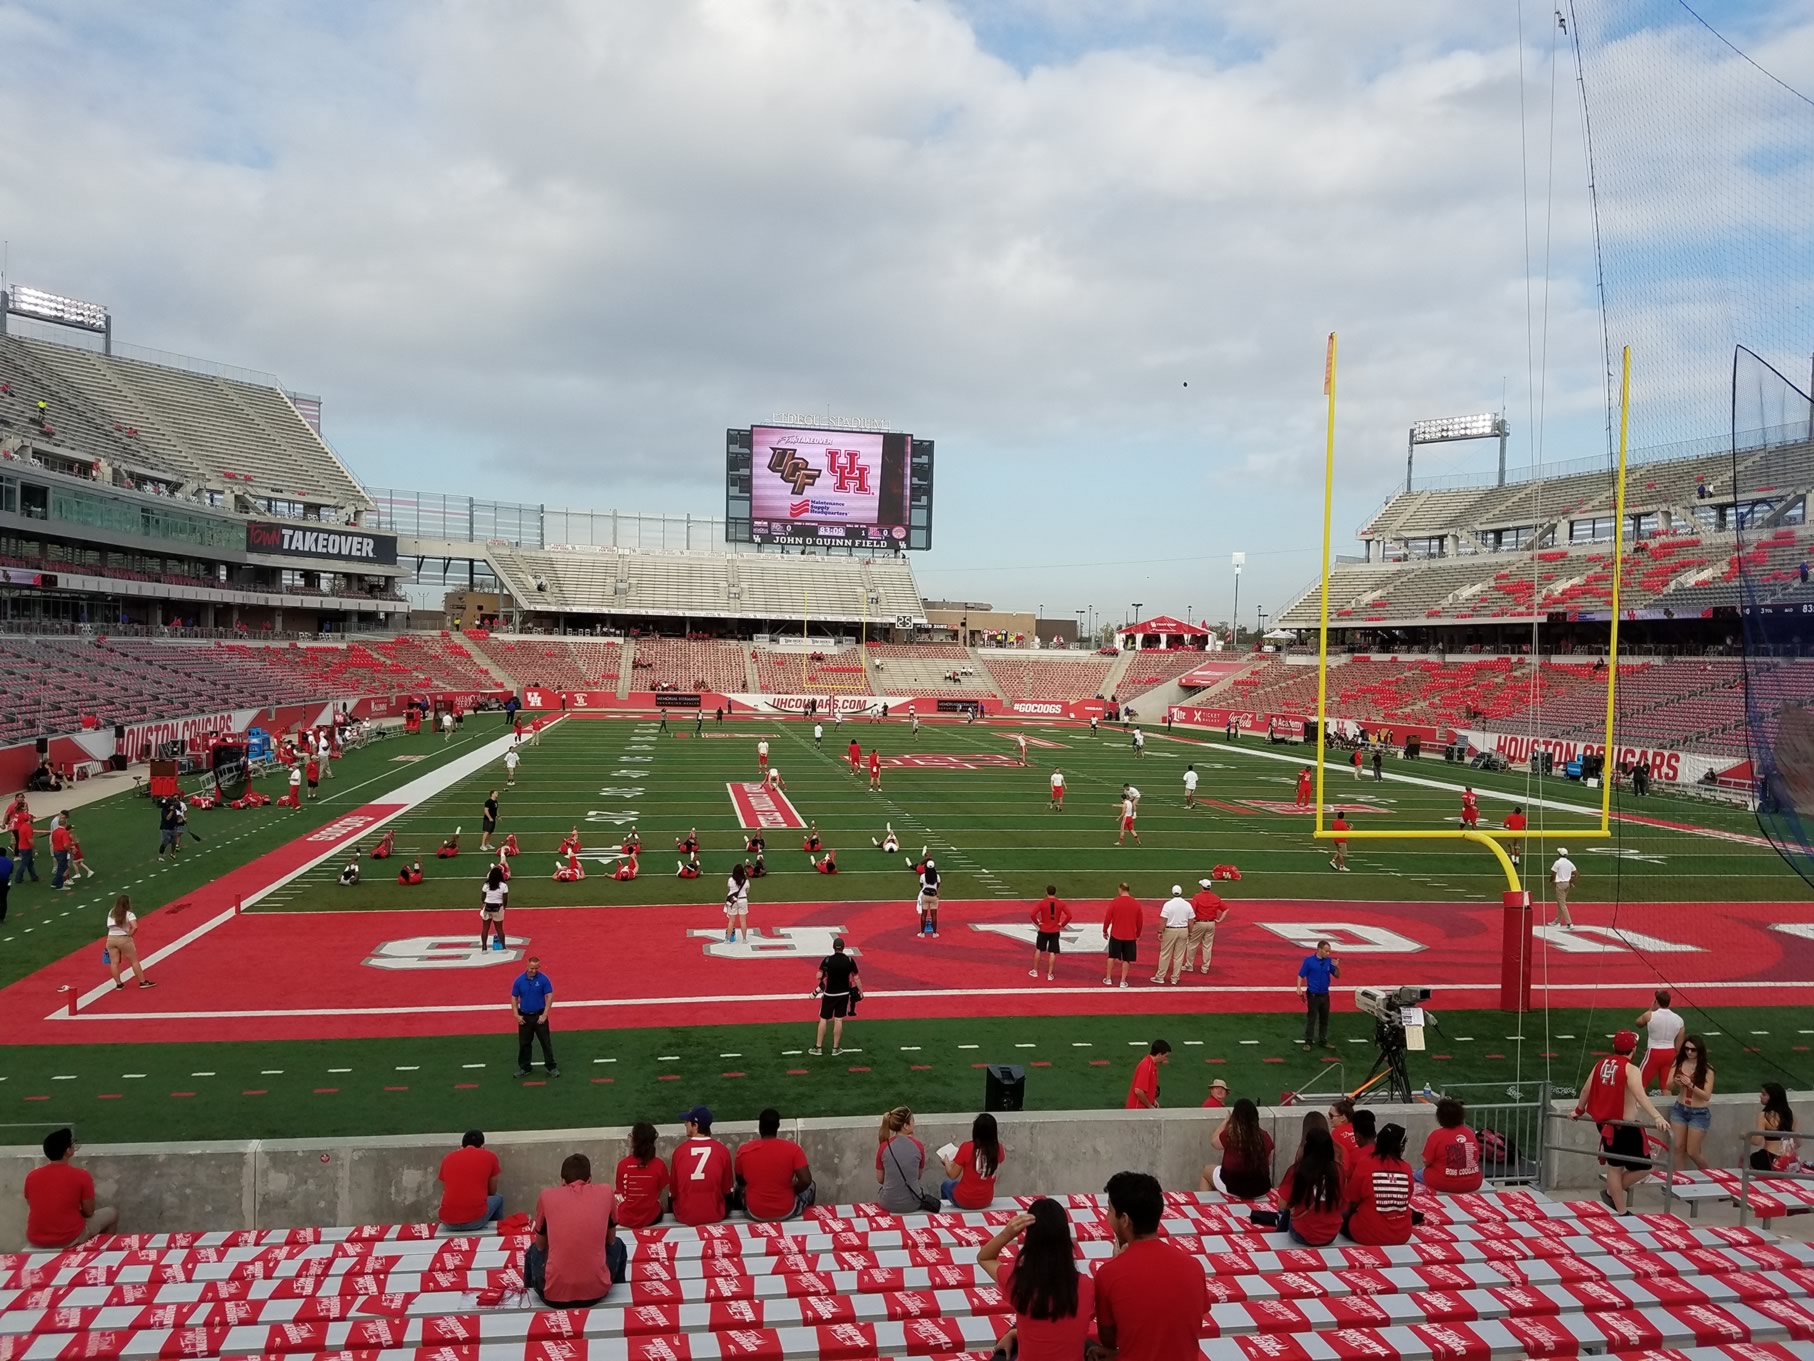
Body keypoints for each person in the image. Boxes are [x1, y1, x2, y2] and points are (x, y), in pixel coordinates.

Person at [1094, 1171, 1207, 1361]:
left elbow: (1109, 1340)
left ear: (1125, 1220)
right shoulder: (1194, 1266)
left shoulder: (1108, 1274)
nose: (1107, 1216)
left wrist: (1116, 1261)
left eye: (1109, 1210)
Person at [976, 1199, 1095, 1361]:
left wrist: (1007, 1234)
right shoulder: (1087, 1286)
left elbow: (984, 1258)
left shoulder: (1018, 1280)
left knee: (1005, 1347)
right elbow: (1061, 1328)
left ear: (1030, 1238)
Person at [1571, 1029, 1670, 1213]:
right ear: (1634, 1048)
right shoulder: (1630, 1069)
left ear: (1613, 1046)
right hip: (1625, 1126)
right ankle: (1614, 1197)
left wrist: (1578, 1110)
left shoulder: (1601, 1064)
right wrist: (1657, 1116)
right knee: (1644, 1166)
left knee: (1615, 1167)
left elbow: (1586, 1090)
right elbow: (1641, 1096)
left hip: (1605, 1124)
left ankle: (1618, 1204)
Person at [525, 1153, 623, 1308]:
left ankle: (527, 1295)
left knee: (532, 1251)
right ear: (589, 1179)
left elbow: (540, 1246)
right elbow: (610, 1241)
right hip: (596, 1292)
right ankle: (618, 1292)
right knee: (618, 1245)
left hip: (553, 1295)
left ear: (562, 1181)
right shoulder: (605, 1191)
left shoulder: (547, 1196)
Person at [24, 1128, 116, 1248]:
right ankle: (101, 1256)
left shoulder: (32, 1176)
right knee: (112, 1213)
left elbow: (33, 1204)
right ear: (68, 1150)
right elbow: (89, 1212)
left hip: (35, 1237)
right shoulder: (81, 1175)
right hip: (69, 1237)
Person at [1264, 1126, 1344, 1245]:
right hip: (1331, 1234)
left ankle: (1277, 1237)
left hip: (1304, 1234)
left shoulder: (1297, 1170)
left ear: (1307, 1146)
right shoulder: (1339, 1170)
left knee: (1287, 1211)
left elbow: (1282, 1204)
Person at [736, 1107, 816, 1220]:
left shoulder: (744, 1150)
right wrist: (792, 1190)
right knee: (811, 1185)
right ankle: (806, 1222)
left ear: (760, 1127)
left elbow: (740, 1181)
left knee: (737, 1188)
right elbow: (806, 1181)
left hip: (754, 1212)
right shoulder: (793, 1149)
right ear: (778, 1126)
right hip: (786, 1211)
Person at [1344, 1122, 1414, 1245]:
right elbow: (1406, 1199)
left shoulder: (1366, 1163)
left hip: (1368, 1233)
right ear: (1400, 1147)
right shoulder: (1406, 1168)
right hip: (1402, 1234)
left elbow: (1352, 1198)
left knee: (1340, 1217)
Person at [670, 1106, 734, 1225]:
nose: (685, 1125)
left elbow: (673, 1193)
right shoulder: (722, 1151)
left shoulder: (679, 1151)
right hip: (715, 1214)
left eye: (687, 1122)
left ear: (696, 1126)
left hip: (684, 1215)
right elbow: (727, 1192)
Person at [1201, 1097, 1274, 1198]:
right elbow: (1269, 1161)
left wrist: (1226, 1121)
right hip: (1261, 1189)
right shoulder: (1265, 1136)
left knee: (1206, 1171)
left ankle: (1206, 1209)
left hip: (1233, 1188)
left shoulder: (1231, 1135)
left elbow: (1214, 1142)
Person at [1666, 1034, 1716, 1171]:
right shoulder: (1679, 1063)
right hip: (1680, 1109)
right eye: (1687, 1049)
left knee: (1693, 1152)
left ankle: (1710, 1174)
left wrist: (1691, 1085)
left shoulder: (1707, 1069)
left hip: (1699, 1113)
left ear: (1699, 1051)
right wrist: (1675, 1082)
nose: (1689, 1052)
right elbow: (1668, 1085)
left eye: (1693, 1050)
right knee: (1677, 1147)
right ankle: (1680, 1181)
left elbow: (1706, 1096)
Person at [437, 1130, 503, 1232]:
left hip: (447, 1221)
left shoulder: (447, 1158)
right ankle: (497, 1233)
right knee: (499, 1198)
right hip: (475, 1221)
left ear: (461, 1146)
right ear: (482, 1146)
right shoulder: (490, 1156)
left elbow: (445, 1190)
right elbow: (492, 1191)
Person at [942, 1112, 1005, 1209]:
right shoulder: (999, 1149)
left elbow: (952, 1175)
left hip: (964, 1199)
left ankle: (947, 1211)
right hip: (986, 1199)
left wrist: (946, 1161)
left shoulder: (967, 1147)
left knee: (946, 1185)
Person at [613, 1122, 670, 1228]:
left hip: (625, 1218)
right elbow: (659, 1191)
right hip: (651, 1218)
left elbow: (620, 1192)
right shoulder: (660, 1165)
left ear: (634, 1141)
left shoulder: (623, 1165)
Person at [1420, 1098, 1484, 1193]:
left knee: (1416, 1174)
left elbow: (1426, 1161)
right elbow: (1476, 1157)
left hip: (1443, 1183)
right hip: (1473, 1183)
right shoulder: (1470, 1133)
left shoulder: (1436, 1135)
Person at [876, 1107, 931, 1213]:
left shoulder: (883, 1147)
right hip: (913, 1203)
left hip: (888, 1203)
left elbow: (880, 1179)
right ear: (906, 1125)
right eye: (912, 1120)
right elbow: (917, 1176)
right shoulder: (918, 1146)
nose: (914, 1123)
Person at [811, 936, 859, 1055]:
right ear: (843, 947)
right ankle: (835, 1048)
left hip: (829, 994)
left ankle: (818, 1047)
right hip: (843, 994)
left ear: (833, 947)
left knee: (823, 1019)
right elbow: (856, 977)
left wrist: (825, 974)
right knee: (839, 1019)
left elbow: (818, 976)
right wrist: (861, 992)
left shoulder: (827, 960)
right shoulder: (849, 960)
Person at [511, 956, 558, 1078]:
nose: (534, 971)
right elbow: (514, 998)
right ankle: (525, 1067)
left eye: (536, 968)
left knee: (546, 1043)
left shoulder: (543, 979)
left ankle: (551, 1067)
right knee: (524, 1043)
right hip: (525, 1017)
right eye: (532, 968)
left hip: (539, 1016)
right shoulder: (519, 981)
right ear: (527, 966)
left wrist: (545, 1014)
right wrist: (516, 1014)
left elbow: (549, 996)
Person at [1636, 990, 1685, 1091]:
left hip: (1654, 1052)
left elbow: (1638, 1023)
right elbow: (1679, 1045)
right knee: (1666, 1087)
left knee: (1639, 1084)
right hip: (1670, 1053)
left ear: (1656, 1001)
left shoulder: (1649, 1015)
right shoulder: (1679, 1019)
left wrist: (1651, 1008)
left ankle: (1635, 1106)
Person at [104, 895, 155, 990]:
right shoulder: (129, 914)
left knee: (114, 962)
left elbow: (109, 925)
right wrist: (130, 934)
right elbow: (135, 926)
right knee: (134, 961)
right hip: (124, 939)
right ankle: (142, 981)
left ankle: (119, 984)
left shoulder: (111, 912)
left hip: (111, 939)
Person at [1297, 939, 1339, 1048]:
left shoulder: (1329, 961)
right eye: (1326, 951)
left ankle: (1323, 1040)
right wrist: (1298, 987)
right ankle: (1308, 1042)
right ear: (1319, 950)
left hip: (1325, 995)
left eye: (1329, 951)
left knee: (1324, 1019)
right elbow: (1301, 975)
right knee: (1312, 1019)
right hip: (1313, 995)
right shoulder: (1309, 961)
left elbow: (1337, 975)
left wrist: (1337, 966)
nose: (1328, 953)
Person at [1102, 882, 1143, 988]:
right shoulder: (1136, 904)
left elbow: (1107, 917)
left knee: (1111, 956)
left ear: (1120, 889)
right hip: (1130, 935)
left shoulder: (1115, 902)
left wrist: (1105, 930)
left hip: (1116, 934)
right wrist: (1138, 934)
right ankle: (1123, 980)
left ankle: (1108, 978)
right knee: (1126, 959)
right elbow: (1140, 922)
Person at [1750, 1084, 1798, 1172]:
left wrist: (1746, 1136)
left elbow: (1756, 1141)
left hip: (1768, 1158)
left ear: (1773, 1097)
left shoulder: (1764, 1116)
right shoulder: (1791, 1116)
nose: (1760, 1096)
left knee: (1746, 1160)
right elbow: (1798, 1142)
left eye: (1764, 1094)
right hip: (1788, 1160)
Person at [1185, 878, 1228, 974]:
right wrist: (1219, 920)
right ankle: (1205, 967)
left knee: (1192, 944)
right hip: (1211, 923)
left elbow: (1192, 911)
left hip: (1199, 923)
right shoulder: (1216, 898)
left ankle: (1189, 965)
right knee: (1207, 946)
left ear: (1202, 887)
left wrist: (1190, 923)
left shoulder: (1197, 897)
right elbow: (1225, 909)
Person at [1153, 884, 1194, 985]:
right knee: (1179, 956)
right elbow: (1191, 920)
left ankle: (1160, 976)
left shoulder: (1168, 904)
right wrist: (1190, 932)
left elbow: (1163, 920)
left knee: (1165, 954)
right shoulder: (1187, 904)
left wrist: (1160, 931)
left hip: (1170, 930)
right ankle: (1175, 978)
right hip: (1183, 930)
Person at [1029, 885, 1071, 980]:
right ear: (1055, 892)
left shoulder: (1042, 903)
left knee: (1039, 949)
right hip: (1055, 930)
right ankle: (1050, 973)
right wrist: (1062, 924)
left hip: (1043, 929)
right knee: (1052, 952)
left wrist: (1038, 923)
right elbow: (1069, 915)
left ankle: (1035, 971)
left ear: (1046, 892)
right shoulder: (1061, 904)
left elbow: (1032, 914)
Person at [1125, 1038, 1169, 1109]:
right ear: (1159, 1054)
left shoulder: (1152, 1065)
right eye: (1165, 1056)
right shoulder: (1146, 1066)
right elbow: (1138, 1091)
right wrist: (1149, 1106)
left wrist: (1152, 1100)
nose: (1166, 1059)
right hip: (1137, 1111)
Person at [480, 864, 508, 952]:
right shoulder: (503, 886)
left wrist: (484, 903)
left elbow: (483, 896)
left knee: (485, 928)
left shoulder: (486, 885)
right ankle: (503, 947)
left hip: (487, 907)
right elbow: (505, 898)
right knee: (499, 928)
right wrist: (504, 908)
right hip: (498, 907)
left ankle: (484, 948)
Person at [1550, 847, 1578, 927]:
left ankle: (1569, 923)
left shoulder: (1557, 862)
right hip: (1567, 884)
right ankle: (1557, 921)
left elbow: (1553, 873)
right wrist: (1571, 881)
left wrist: (1551, 881)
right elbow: (1576, 874)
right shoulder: (1569, 863)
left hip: (1560, 884)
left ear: (1559, 854)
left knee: (1562, 904)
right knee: (1560, 903)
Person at [915, 856, 940, 937]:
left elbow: (921, 885)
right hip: (934, 896)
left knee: (923, 915)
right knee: (934, 915)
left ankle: (922, 933)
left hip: (925, 896)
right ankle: (934, 933)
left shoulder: (923, 876)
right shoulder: (937, 876)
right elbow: (938, 885)